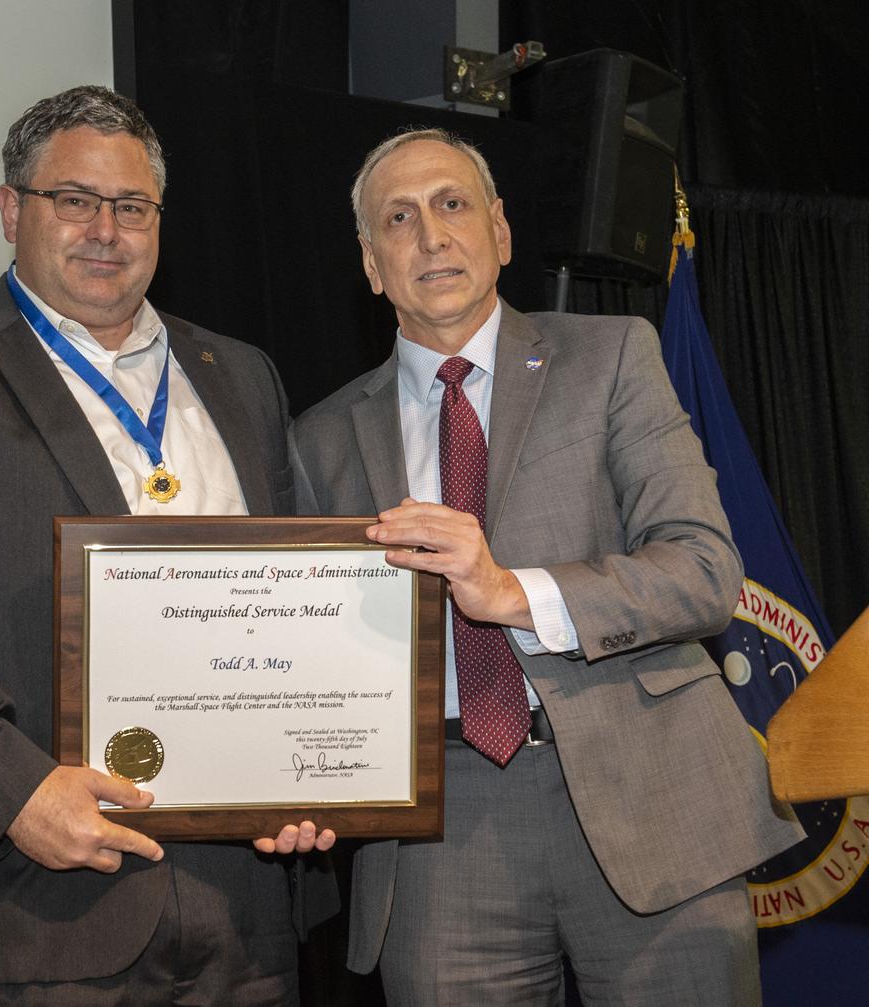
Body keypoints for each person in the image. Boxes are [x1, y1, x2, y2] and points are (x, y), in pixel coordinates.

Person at [0, 85, 333, 1006]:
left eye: (131, 206)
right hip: (29, 918)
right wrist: (13, 792)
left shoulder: (239, 374)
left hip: (243, 920)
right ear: (13, 210)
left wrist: (309, 770)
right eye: (75, 200)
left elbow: (295, 598)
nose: (106, 229)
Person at [291, 128, 804, 1005]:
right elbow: (312, 655)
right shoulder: (320, 437)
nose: (432, 235)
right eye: (399, 218)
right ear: (372, 265)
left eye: (453, 205)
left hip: (651, 795)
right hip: (440, 829)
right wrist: (290, 774)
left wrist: (511, 592)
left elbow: (704, 567)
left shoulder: (612, 358)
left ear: (501, 230)